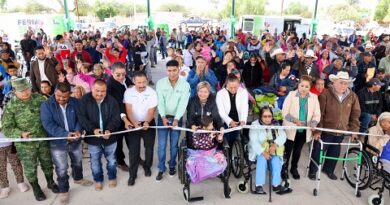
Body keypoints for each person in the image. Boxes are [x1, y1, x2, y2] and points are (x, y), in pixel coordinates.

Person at [2, 78, 59, 201]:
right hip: (25, 145)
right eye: (21, 91)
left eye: (27, 89)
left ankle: (51, 182)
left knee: (48, 163)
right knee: (30, 168)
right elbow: (6, 128)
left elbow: (51, 115)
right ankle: (36, 188)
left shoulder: (39, 99)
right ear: (15, 91)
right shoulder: (11, 105)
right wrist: (20, 134)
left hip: (42, 139)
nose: (25, 92)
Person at [40, 83, 93, 204]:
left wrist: (78, 130)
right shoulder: (46, 105)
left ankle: (78, 178)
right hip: (57, 142)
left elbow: (81, 118)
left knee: (78, 161)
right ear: (55, 92)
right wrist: (65, 134)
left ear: (70, 94)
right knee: (62, 167)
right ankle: (64, 190)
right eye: (58, 96)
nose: (61, 99)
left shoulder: (75, 102)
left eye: (65, 96)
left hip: (75, 140)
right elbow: (48, 124)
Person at [309, 71, 361, 180]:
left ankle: (328, 170)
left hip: (341, 131)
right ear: (334, 82)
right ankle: (313, 171)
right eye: (341, 83)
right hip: (325, 130)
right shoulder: (325, 94)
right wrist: (317, 131)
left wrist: (354, 130)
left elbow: (355, 114)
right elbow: (319, 114)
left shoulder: (352, 96)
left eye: (345, 83)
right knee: (318, 150)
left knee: (334, 152)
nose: (343, 86)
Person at [76, 79, 121, 191]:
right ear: (92, 88)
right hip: (93, 138)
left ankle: (112, 177)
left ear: (106, 90)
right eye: (97, 91)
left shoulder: (112, 101)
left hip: (110, 137)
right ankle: (98, 180)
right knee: (95, 161)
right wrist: (93, 129)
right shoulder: (84, 100)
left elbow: (116, 118)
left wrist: (109, 130)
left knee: (111, 160)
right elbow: (82, 117)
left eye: (103, 91)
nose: (100, 94)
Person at [155, 60, 190, 181]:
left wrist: (177, 119)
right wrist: (163, 117)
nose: (172, 73)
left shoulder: (185, 85)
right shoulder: (160, 83)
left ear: (179, 69)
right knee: (161, 145)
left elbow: (183, 104)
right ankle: (161, 168)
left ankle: (171, 166)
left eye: (174, 70)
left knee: (174, 145)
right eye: (169, 70)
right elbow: (160, 102)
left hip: (177, 118)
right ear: (166, 71)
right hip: (163, 118)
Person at [282, 75, 321, 180]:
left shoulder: (314, 97)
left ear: (310, 87)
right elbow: (284, 112)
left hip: (304, 130)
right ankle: (284, 168)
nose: (304, 88)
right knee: (287, 150)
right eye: (302, 85)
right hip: (291, 128)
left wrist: (313, 123)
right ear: (298, 85)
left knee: (297, 151)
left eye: (307, 86)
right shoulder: (291, 95)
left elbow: (317, 115)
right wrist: (294, 120)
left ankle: (294, 168)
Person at [123, 71, 157, 186]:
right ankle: (133, 174)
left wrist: (147, 121)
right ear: (134, 81)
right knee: (133, 151)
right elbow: (128, 110)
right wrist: (134, 123)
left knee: (149, 148)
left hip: (148, 122)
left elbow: (152, 110)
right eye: (139, 82)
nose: (142, 85)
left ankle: (147, 167)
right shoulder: (128, 92)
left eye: (144, 82)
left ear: (147, 80)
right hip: (134, 124)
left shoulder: (152, 92)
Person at [248, 105, 288, 194]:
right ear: (260, 116)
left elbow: (283, 135)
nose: (267, 119)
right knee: (262, 159)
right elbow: (254, 141)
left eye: (269, 116)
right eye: (265, 116)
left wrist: (275, 144)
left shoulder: (276, 123)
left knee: (276, 160)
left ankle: (276, 185)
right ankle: (259, 185)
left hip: (272, 149)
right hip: (259, 150)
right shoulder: (255, 125)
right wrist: (263, 152)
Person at [106, 62, 133, 172]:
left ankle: (135, 157)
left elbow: (131, 84)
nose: (122, 77)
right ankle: (120, 161)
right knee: (118, 141)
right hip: (116, 116)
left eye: (123, 74)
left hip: (128, 112)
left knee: (131, 138)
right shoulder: (110, 86)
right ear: (112, 73)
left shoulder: (125, 78)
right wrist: (125, 119)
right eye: (118, 75)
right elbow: (118, 105)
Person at [185, 116, 226, 183]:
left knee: (221, 161)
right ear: (204, 127)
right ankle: (204, 174)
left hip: (211, 152)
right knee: (199, 165)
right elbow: (198, 144)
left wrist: (220, 138)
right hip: (199, 152)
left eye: (212, 124)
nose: (212, 126)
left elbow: (218, 140)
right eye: (210, 125)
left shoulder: (213, 130)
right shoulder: (197, 132)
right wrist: (209, 138)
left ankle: (211, 172)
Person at [0, 107, 29, 199]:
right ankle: (5, 187)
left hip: (10, 143)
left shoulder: (5, 110)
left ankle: (21, 182)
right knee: (1, 167)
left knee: (16, 163)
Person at [216, 74, 248, 147]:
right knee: (226, 140)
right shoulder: (220, 94)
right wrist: (230, 121)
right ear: (226, 84)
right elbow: (221, 111)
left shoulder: (243, 92)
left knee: (234, 140)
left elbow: (244, 107)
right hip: (225, 121)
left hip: (237, 120)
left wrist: (243, 120)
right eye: (231, 87)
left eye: (235, 87)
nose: (233, 89)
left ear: (239, 84)